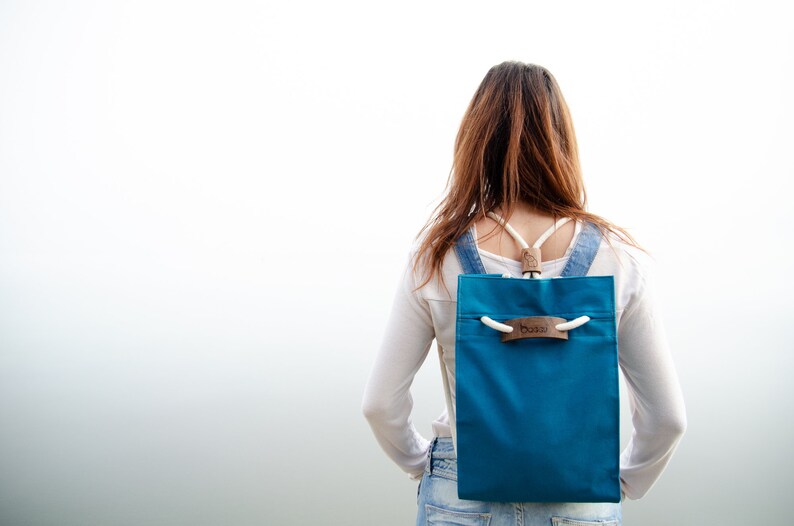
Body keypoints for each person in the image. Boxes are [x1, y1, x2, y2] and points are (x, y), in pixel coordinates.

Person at [361, 61, 687, 526]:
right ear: (562, 141)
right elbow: (668, 419)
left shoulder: (435, 255)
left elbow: (379, 403)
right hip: (579, 495)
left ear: (475, 141)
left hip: (459, 495)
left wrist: (430, 466)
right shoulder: (618, 257)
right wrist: (620, 483)